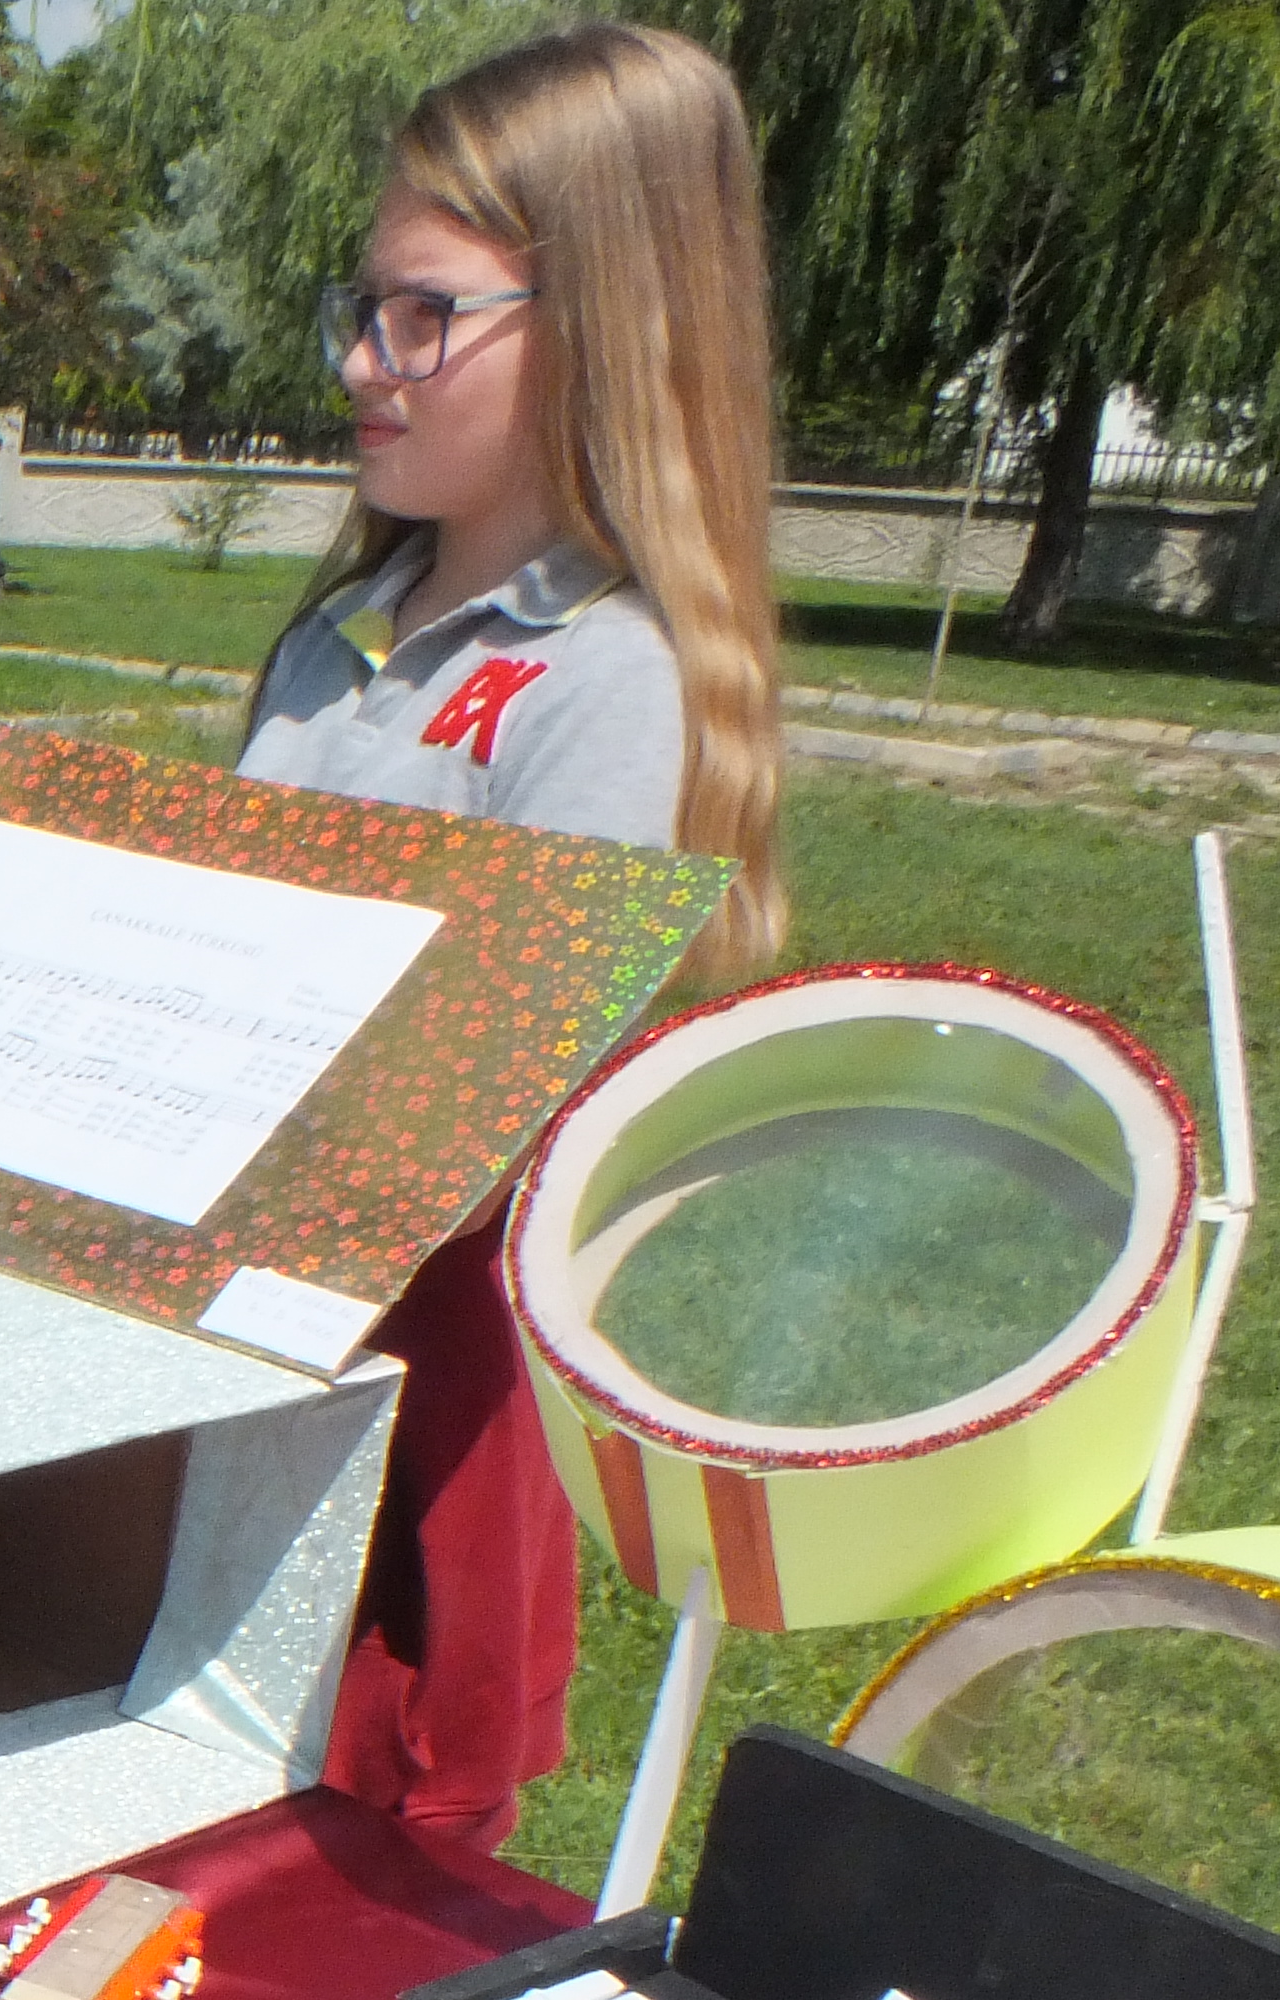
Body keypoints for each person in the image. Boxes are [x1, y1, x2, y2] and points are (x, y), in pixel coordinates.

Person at [235, 21, 785, 1854]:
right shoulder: (336, 636)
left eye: (421, 314)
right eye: (358, 305)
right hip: (233, 1390)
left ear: (602, 320)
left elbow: (469, 1143)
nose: (358, 364)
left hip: (412, 1449)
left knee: (313, 1948)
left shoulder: (605, 686)